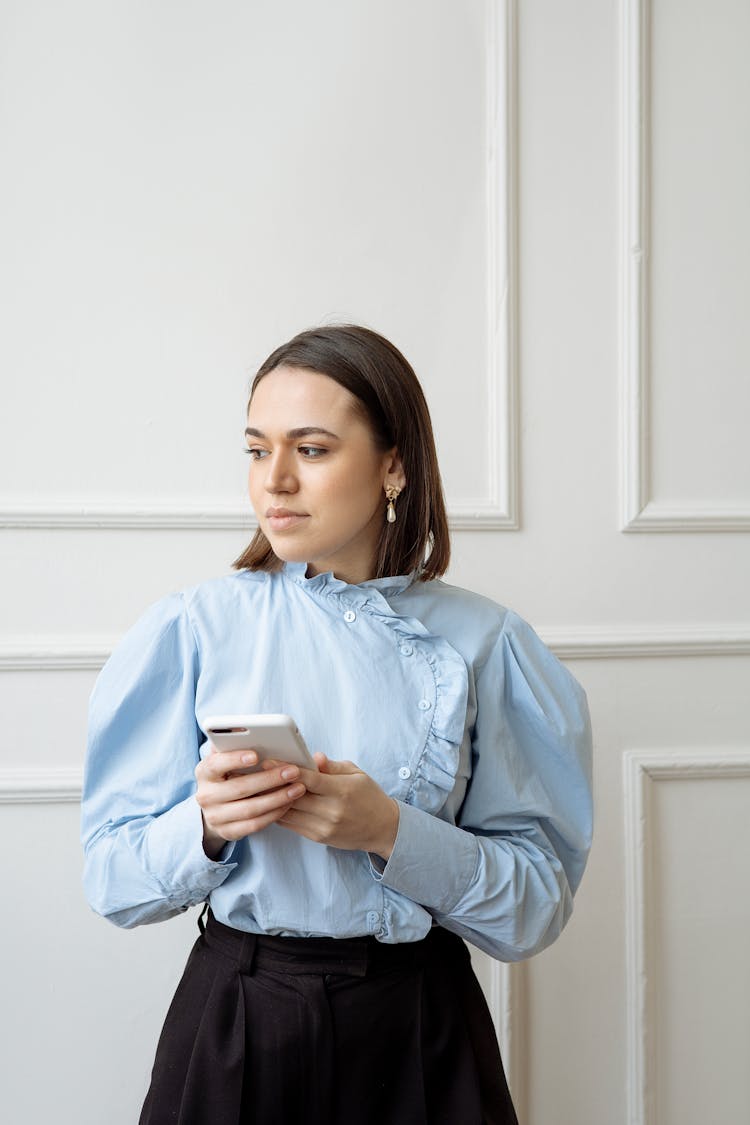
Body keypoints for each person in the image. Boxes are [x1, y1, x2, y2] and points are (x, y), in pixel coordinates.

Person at [81, 324, 593, 1125]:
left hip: (422, 1030)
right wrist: (206, 826)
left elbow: (534, 907)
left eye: (311, 449)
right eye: (256, 450)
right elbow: (112, 881)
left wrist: (393, 830)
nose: (275, 480)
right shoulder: (192, 629)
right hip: (236, 1020)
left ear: (395, 464)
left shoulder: (490, 645)